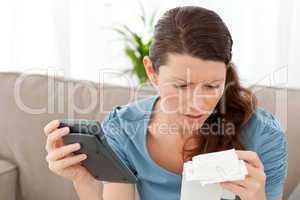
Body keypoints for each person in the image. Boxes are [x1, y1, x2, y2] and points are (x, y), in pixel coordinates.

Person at [43, 6, 288, 200]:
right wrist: (83, 180)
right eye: (181, 86)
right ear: (152, 71)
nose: (197, 104)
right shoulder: (123, 128)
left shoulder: (263, 134)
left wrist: (257, 197)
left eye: (212, 86)